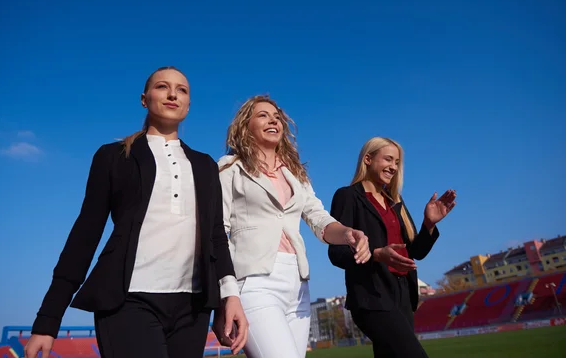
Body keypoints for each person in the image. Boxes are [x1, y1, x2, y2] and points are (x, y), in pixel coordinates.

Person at [24, 67, 248, 358]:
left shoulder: (205, 165)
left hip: (192, 310)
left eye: (182, 90)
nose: (172, 94)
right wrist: (48, 320)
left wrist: (229, 296)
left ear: (188, 104)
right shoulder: (113, 157)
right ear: (145, 99)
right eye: (162, 87)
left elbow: (217, 237)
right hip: (128, 302)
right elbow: (85, 235)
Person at [212, 95, 371, 358]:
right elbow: (218, 231)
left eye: (276, 116)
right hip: (253, 282)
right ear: (244, 125)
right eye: (262, 115)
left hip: (297, 285)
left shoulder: (295, 174)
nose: (273, 119)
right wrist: (226, 294)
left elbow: (317, 217)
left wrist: (347, 233)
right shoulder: (229, 168)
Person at [328, 137, 457, 357]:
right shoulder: (347, 196)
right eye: (388, 159)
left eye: (397, 162)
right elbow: (336, 252)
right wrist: (376, 255)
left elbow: (416, 252)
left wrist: (429, 224)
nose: (393, 167)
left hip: (403, 296)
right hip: (371, 296)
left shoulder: (395, 201)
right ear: (368, 159)